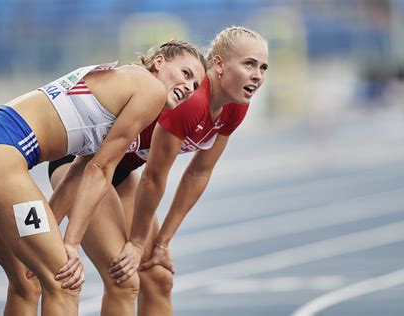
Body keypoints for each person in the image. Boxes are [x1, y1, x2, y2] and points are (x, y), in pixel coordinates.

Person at [0, 40, 206, 316]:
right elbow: (101, 170)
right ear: (159, 62)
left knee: (26, 281)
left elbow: (79, 171)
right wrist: (70, 245)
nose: (189, 87)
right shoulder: (151, 90)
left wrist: (57, 236)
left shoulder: (124, 82)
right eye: (186, 74)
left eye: (196, 86)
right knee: (65, 281)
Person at [48, 26, 268, 315]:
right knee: (123, 278)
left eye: (263, 67)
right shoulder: (191, 103)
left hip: (121, 172)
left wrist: (162, 242)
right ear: (219, 65)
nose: (258, 75)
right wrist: (138, 243)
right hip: (84, 166)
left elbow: (199, 173)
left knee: (158, 276)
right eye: (249, 64)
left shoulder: (235, 106)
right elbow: (153, 177)